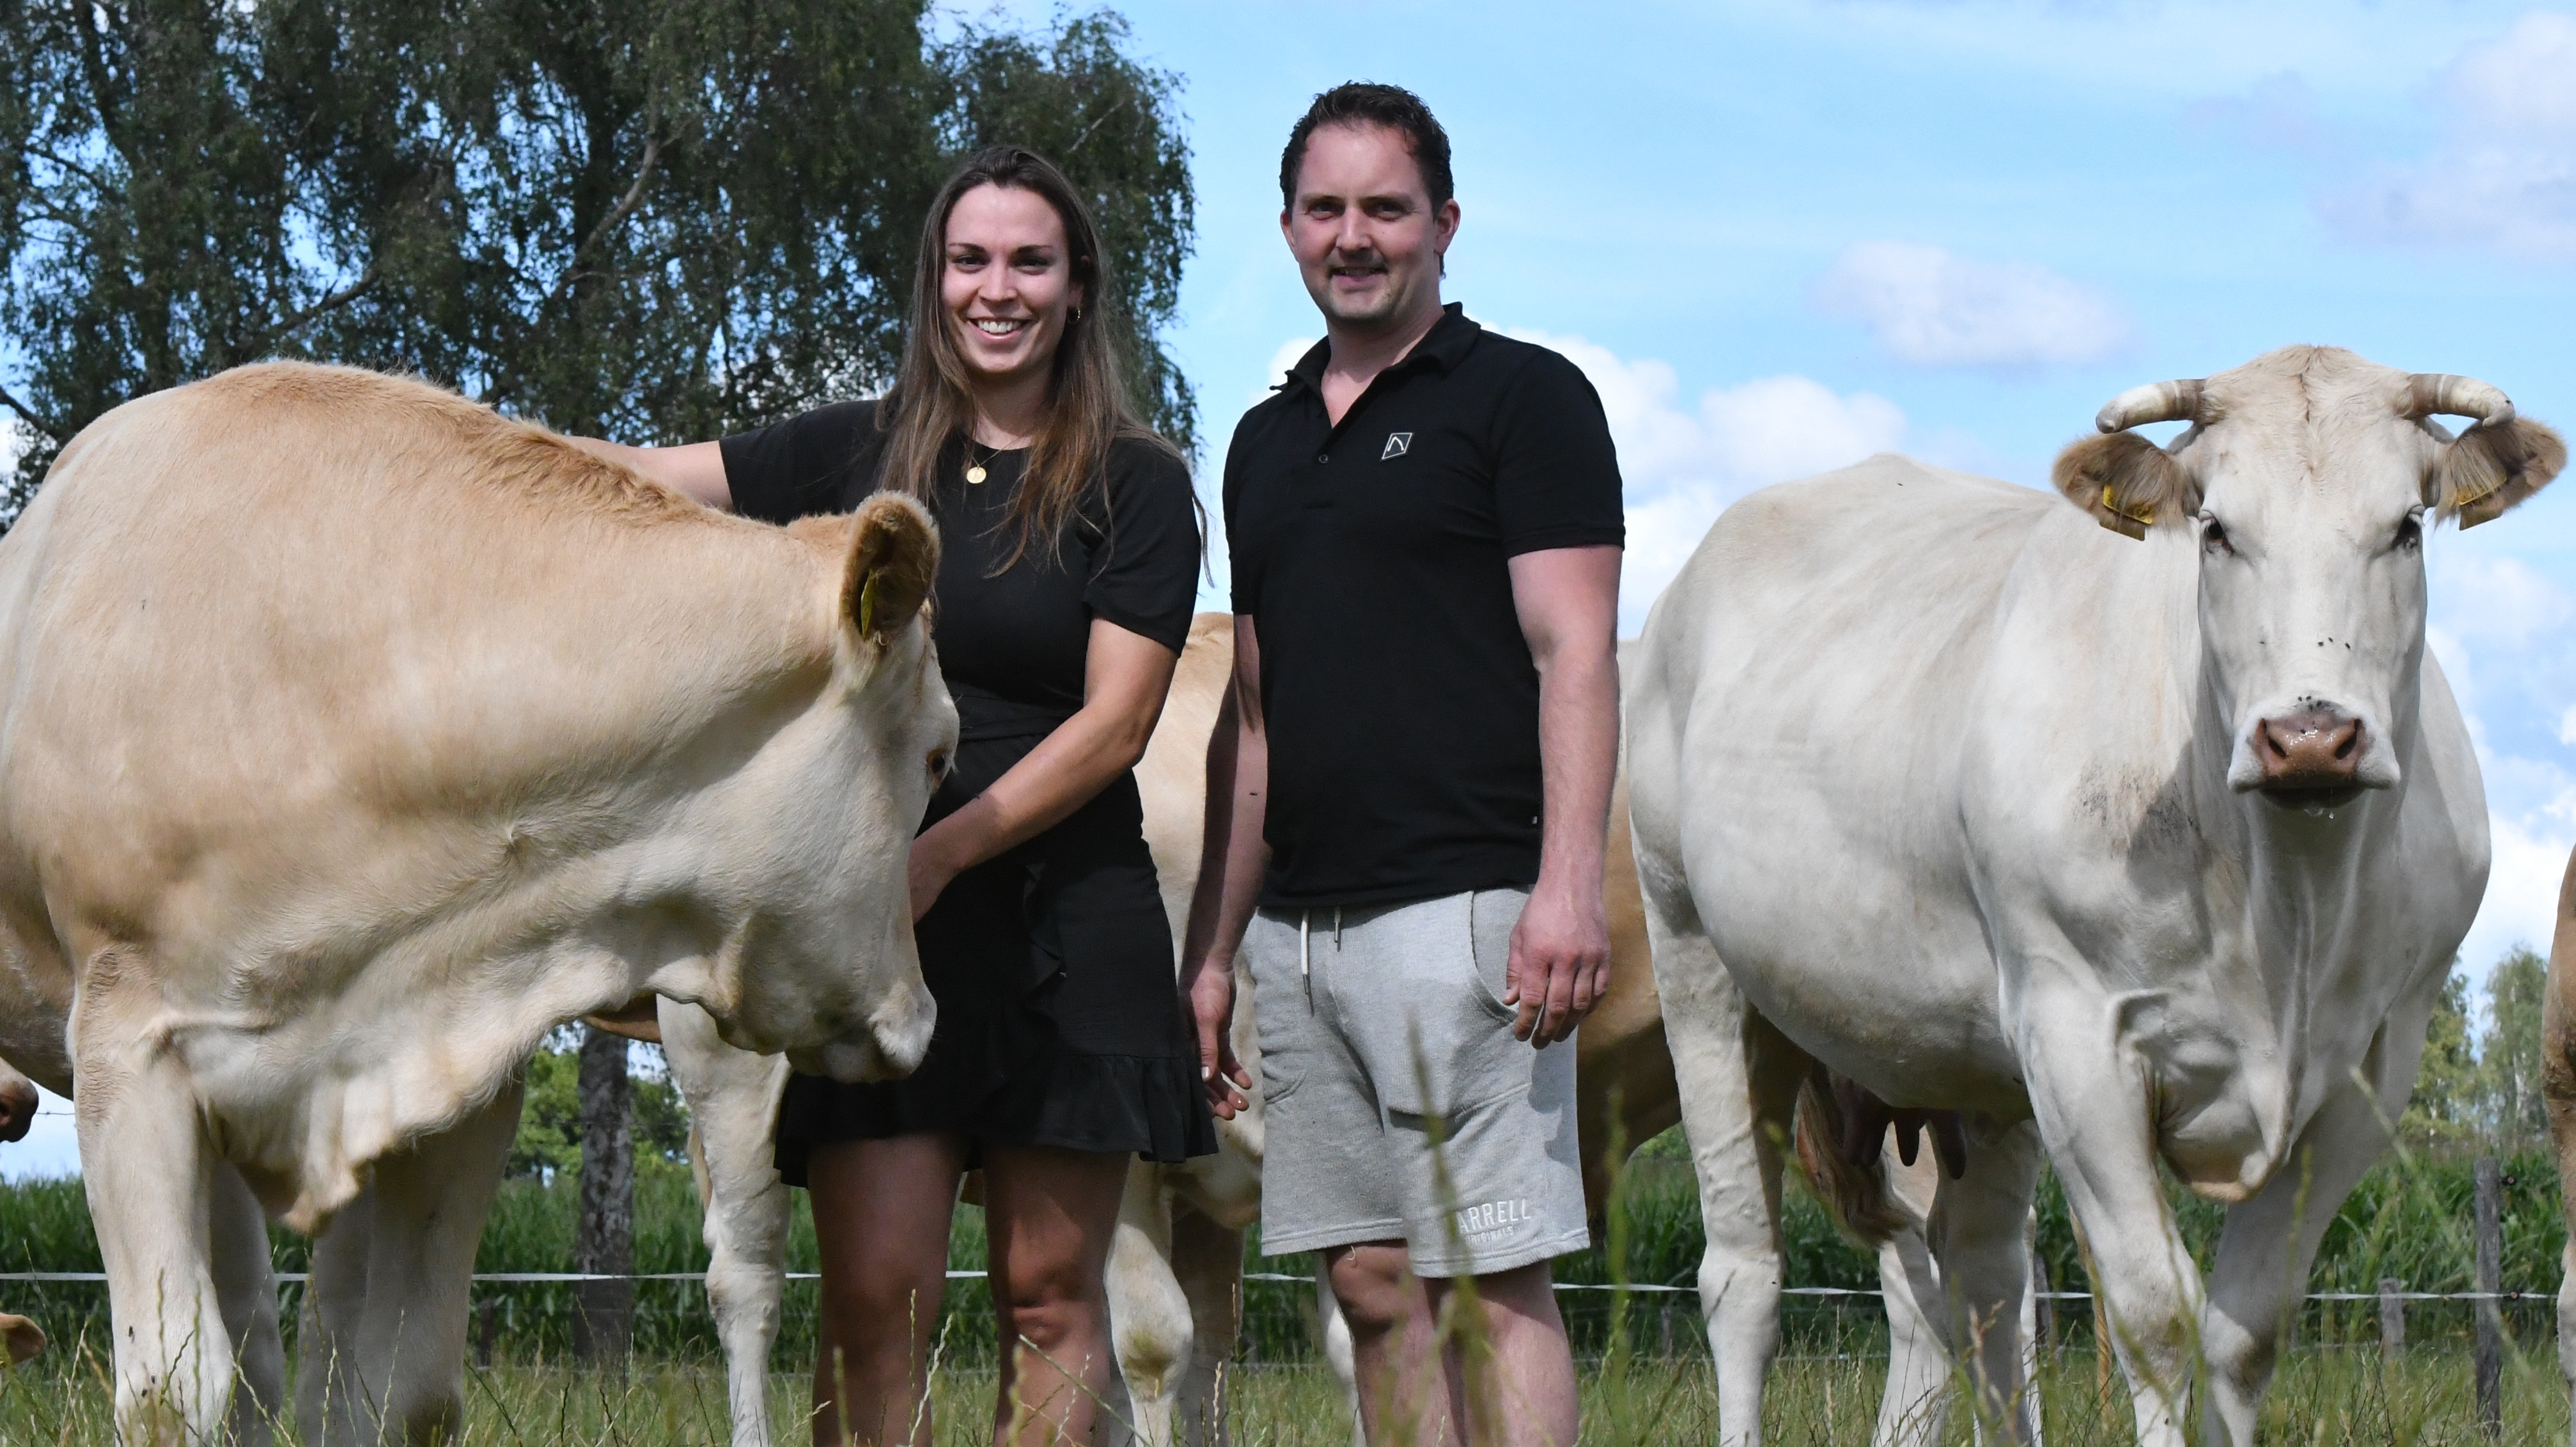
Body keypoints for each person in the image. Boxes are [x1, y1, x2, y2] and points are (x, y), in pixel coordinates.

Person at [580, 144, 1216, 1447]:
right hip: (876, 936)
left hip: (1066, 919)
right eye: (969, 260)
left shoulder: (1137, 481)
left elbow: (1116, 723)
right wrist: (455, 458)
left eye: (1029, 261)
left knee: (1051, 1300)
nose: (999, 289)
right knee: (877, 1301)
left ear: (1078, 285)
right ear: (933, 280)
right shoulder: (853, 449)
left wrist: (932, 859)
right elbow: (639, 478)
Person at [1179, 83, 1624, 1447]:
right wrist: (1211, 954)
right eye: (1327, 209)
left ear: (1444, 220)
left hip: (1464, 922)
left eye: (1385, 207)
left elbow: (1576, 657)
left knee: (1489, 1279)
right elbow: (1255, 717)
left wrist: (1566, 888)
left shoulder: (1524, 399)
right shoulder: (1261, 443)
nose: (1354, 236)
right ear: (1287, 227)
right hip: (1299, 939)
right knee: (1371, 1282)